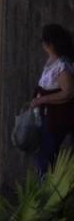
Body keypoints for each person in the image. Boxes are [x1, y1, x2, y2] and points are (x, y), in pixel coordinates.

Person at [31, 23, 74, 175]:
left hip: (56, 119)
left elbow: (68, 93)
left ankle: (47, 193)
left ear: (50, 43)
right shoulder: (52, 61)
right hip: (46, 116)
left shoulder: (63, 65)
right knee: (43, 155)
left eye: (44, 41)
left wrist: (42, 100)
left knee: (46, 157)